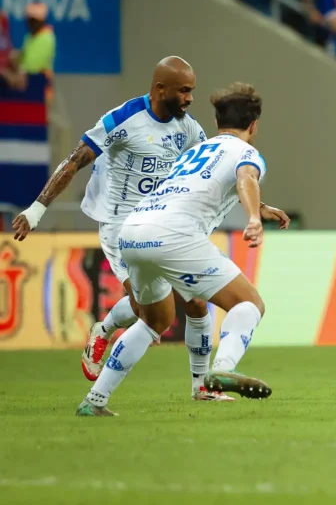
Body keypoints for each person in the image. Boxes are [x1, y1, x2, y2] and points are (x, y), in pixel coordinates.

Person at [11, 57, 234, 401]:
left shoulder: (188, 129)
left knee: (197, 303)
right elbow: (75, 161)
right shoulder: (122, 119)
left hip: (163, 224)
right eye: (184, 91)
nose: (190, 99)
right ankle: (106, 330)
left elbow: (211, 171)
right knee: (154, 315)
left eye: (191, 91)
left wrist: (256, 205)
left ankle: (201, 388)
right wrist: (37, 208)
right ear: (160, 89)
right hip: (121, 228)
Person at [77, 83, 290, 416]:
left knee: (154, 320)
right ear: (254, 126)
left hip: (133, 231)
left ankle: (94, 402)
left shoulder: (194, 151)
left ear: (217, 122)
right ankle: (222, 368)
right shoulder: (246, 153)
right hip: (174, 235)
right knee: (249, 303)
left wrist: (259, 207)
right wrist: (253, 217)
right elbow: (246, 178)